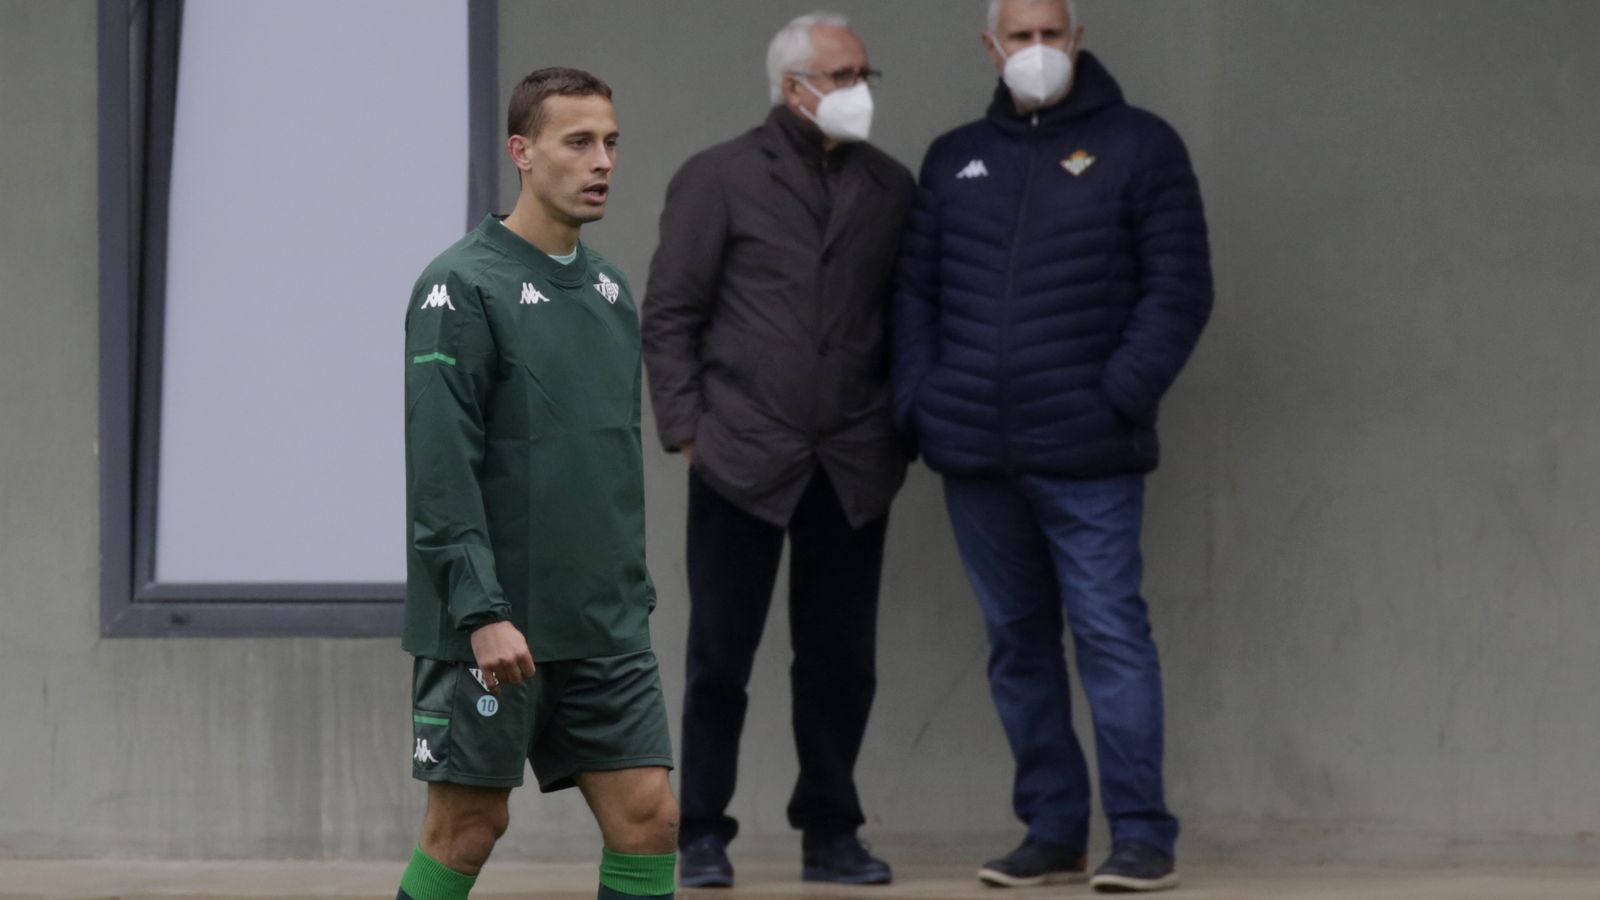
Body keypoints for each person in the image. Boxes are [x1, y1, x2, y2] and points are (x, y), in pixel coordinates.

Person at [893, 0, 1213, 892]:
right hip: (976, 456)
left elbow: (1179, 289)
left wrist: (1118, 396)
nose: (1036, 51)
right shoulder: (956, 158)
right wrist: (922, 400)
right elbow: (914, 295)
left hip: (1088, 452)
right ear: (990, 47)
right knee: (1017, 645)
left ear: (1077, 39)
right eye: (1019, 36)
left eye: (1051, 34)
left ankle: (1142, 835)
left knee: (1112, 636)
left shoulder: (1142, 146)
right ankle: (1054, 831)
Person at [641, 10, 914, 891]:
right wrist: (687, 429)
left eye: (863, 75)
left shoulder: (889, 186)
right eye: (842, 77)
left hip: (852, 460)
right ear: (794, 89)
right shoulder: (718, 177)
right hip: (740, 458)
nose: (858, 91)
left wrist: (900, 429)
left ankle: (831, 832)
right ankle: (702, 834)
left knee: (841, 661)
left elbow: (907, 318)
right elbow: (672, 314)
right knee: (720, 656)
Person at [398, 67, 677, 900]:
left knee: (650, 814)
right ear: (522, 152)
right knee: (468, 829)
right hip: (493, 627)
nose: (602, 162)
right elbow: (440, 469)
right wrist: (482, 613)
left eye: (612, 143)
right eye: (578, 142)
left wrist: (627, 594)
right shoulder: (459, 287)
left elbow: (602, 467)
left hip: (602, 624)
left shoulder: (609, 290)